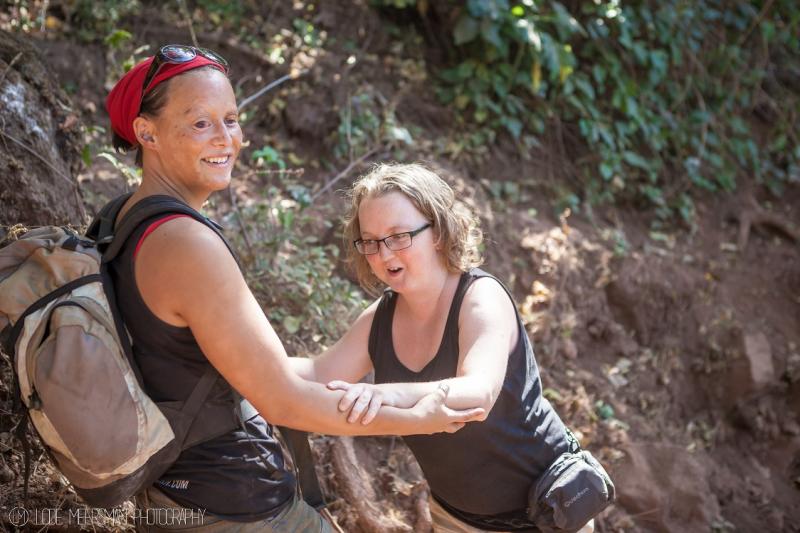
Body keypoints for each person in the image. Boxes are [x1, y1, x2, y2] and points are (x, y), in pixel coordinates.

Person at [104, 45, 484, 532]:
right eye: (201, 123)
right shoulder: (186, 243)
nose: (227, 139)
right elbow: (283, 402)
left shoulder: (120, 220)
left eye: (232, 119)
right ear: (145, 132)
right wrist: (422, 416)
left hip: (173, 497)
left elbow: (240, 369)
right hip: (237, 504)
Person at [290, 163, 594, 532]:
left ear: (437, 231)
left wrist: (383, 395)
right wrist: (232, 357)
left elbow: (477, 392)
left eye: (399, 235)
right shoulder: (380, 320)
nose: (385, 254)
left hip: (548, 512)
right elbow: (319, 375)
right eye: (370, 241)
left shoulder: (481, 298)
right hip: (453, 517)